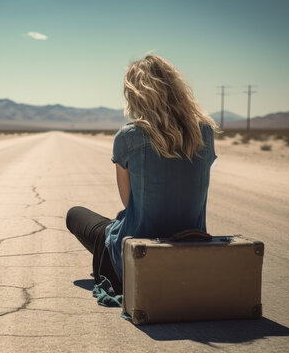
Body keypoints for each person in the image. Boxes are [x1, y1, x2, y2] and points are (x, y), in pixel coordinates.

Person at [66, 54, 219, 294]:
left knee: (75, 215)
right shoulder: (206, 133)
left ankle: (108, 262)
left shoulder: (128, 137)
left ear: (136, 95)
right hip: (192, 248)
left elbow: (129, 203)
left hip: (138, 254)